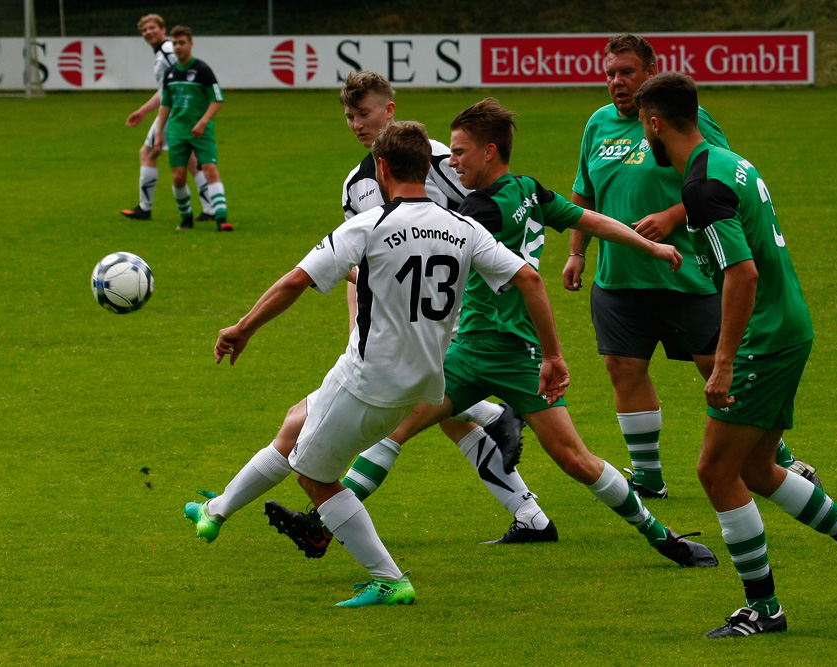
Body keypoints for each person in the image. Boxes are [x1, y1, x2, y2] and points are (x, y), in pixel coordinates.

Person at [269, 98, 719, 570]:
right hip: (481, 352)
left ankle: (660, 534)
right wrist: (647, 243)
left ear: (488, 152)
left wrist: (553, 355)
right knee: (403, 431)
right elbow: (591, 221)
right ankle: (322, 526)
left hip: (495, 350)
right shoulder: (529, 190)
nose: (451, 161)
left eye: (460, 152)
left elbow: (515, 278)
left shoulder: (476, 213)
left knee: (571, 457)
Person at [183, 121, 569, 606]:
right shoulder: (464, 227)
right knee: (296, 421)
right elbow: (530, 280)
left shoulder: (369, 225)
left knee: (314, 476)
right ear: (429, 167)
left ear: (381, 168)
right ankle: (215, 511)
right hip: (427, 378)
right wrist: (552, 355)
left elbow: (294, 282)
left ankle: (388, 579)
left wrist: (243, 328)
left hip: (368, 378)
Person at [634, 72, 837, 637]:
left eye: (643, 125)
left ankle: (764, 607)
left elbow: (743, 273)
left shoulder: (701, 187)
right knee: (756, 467)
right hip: (788, 325)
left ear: (655, 123)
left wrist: (725, 360)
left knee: (714, 469)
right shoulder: (730, 161)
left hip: (764, 337)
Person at [296, 70, 556, 547]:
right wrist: (358, 327)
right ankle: (528, 512)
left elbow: (483, 215)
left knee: (415, 413)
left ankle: (323, 521)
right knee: (444, 417)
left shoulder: (440, 160)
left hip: (456, 308)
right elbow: (360, 263)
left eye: (365, 113)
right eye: (350, 116)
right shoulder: (356, 186)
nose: (357, 123)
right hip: (402, 319)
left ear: (390, 110)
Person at [563, 34, 818, 500]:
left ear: (651, 71)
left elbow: (717, 181)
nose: (617, 83)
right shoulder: (597, 125)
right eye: (610, 74)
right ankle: (648, 476)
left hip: (689, 274)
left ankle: (777, 458)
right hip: (619, 276)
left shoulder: (688, 121)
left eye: (627, 72)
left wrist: (671, 215)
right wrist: (578, 251)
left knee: (717, 367)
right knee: (623, 367)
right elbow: (584, 192)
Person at [120, 14, 214, 222]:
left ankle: (145, 208)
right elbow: (167, 89)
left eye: (152, 28)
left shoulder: (168, 51)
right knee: (191, 160)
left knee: (147, 153)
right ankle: (210, 209)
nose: (148, 32)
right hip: (180, 111)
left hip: (175, 113)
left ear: (163, 29)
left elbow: (179, 83)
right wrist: (143, 111)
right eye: (144, 30)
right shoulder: (163, 52)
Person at [153, 26, 231, 231]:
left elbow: (217, 99)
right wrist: (158, 133)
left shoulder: (202, 70)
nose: (178, 47)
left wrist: (203, 122)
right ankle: (186, 218)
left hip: (201, 130)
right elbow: (165, 104)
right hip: (177, 131)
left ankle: (221, 219)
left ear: (191, 43)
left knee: (210, 170)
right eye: (175, 43)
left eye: (182, 43)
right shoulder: (170, 73)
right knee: (178, 177)